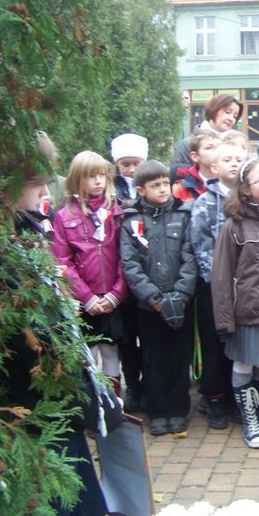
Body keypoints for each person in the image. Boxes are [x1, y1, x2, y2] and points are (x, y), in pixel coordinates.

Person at [0, 133, 119, 515]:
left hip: (57, 411)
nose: (46, 189)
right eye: (37, 183)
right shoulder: (2, 255)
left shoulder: (26, 229)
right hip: (32, 417)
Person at [211, 158, 259, 449]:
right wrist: (225, 319)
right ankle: (250, 421)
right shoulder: (235, 225)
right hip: (245, 310)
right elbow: (221, 275)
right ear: (245, 189)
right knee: (245, 362)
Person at [120, 161, 197, 436]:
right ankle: (158, 410)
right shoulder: (131, 221)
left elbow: (191, 258)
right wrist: (154, 298)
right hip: (149, 306)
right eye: (155, 185)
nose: (163, 189)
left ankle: (178, 409)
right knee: (154, 359)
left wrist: (182, 295)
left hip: (181, 303)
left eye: (165, 183)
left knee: (179, 358)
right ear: (141, 189)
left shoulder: (183, 215)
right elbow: (130, 265)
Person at [51, 150, 128, 392]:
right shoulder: (64, 216)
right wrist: (86, 297)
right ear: (76, 180)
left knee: (111, 350)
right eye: (90, 176)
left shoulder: (117, 212)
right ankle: (96, 408)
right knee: (90, 353)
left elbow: (126, 256)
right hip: (85, 300)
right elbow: (62, 261)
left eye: (102, 176)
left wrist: (116, 294)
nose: (98, 181)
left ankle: (115, 404)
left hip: (112, 298)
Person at [189, 139, 247, 429]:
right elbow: (200, 245)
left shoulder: (250, 199)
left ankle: (237, 399)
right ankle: (214, 399)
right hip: (213, 288)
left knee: (238, 344)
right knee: (214, 345)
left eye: (239, 158)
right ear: (214, 167)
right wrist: (218, 282)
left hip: (246, 287)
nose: (234, 164)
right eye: (228, 159)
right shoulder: (204, 202)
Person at [109, 132, 149, 412]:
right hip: (121, 275)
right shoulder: (112, 191)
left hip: (147, 273)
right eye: (126, 165)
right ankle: (133, 383)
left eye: (136, 163)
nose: (132, 170)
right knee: (126, 339)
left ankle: (149, 383)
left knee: (148, 336)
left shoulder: (151, 185)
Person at [171, 93, 243, 181]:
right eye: (227, 112)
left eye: (235, 116)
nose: (231, 118)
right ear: (213, 110)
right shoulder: (187, 144)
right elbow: (175, 173)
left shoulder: (237, 144)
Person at [173, 130, 221, 203]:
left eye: (219, 147)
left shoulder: (231, 185)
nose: (216, 151)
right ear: (195, 156)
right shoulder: (182, 190)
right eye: (209, 148)